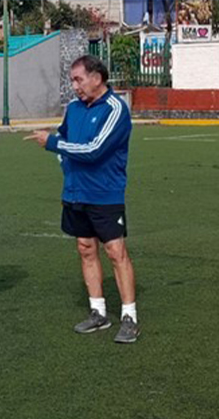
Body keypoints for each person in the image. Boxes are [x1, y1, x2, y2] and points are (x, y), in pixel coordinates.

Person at [24, 55, 141, 344]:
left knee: (116, 252)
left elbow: (94, 149)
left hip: (105, 195)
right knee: (85, 248)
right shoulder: (74, 109)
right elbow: (65, 139)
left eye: (78, 79)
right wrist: (62, 159)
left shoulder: (116, 109)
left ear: (97, 78)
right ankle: (98, 312)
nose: (74, 86)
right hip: (75, 193)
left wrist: (51, 144)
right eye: (72, 80)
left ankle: (129, 317)